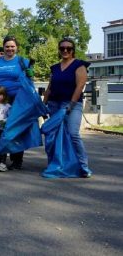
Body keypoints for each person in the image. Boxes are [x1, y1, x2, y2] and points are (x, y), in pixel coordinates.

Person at [42, 38, 92, 178]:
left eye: (68, 48)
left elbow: (80, 86)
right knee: (54, 135)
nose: (65, 50)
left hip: (72, 104)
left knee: (72, 133)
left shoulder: (79, 65)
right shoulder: (55, 68)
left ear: (73, 50)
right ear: (59, 50)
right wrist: (43, 103)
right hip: (54, 104)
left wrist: (71, 104)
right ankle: (55, 163)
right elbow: (50, 87)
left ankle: (83, 166)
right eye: (62, 48)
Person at [0, 36, 33, 169]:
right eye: (7, 46)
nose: (10, 48)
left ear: (17, 47)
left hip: (16, 99)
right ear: (3, 47)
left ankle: (16, 160)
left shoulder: (22, 61)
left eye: (12, 46)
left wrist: (30, 74)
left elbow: (29, 81)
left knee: (15, 130)